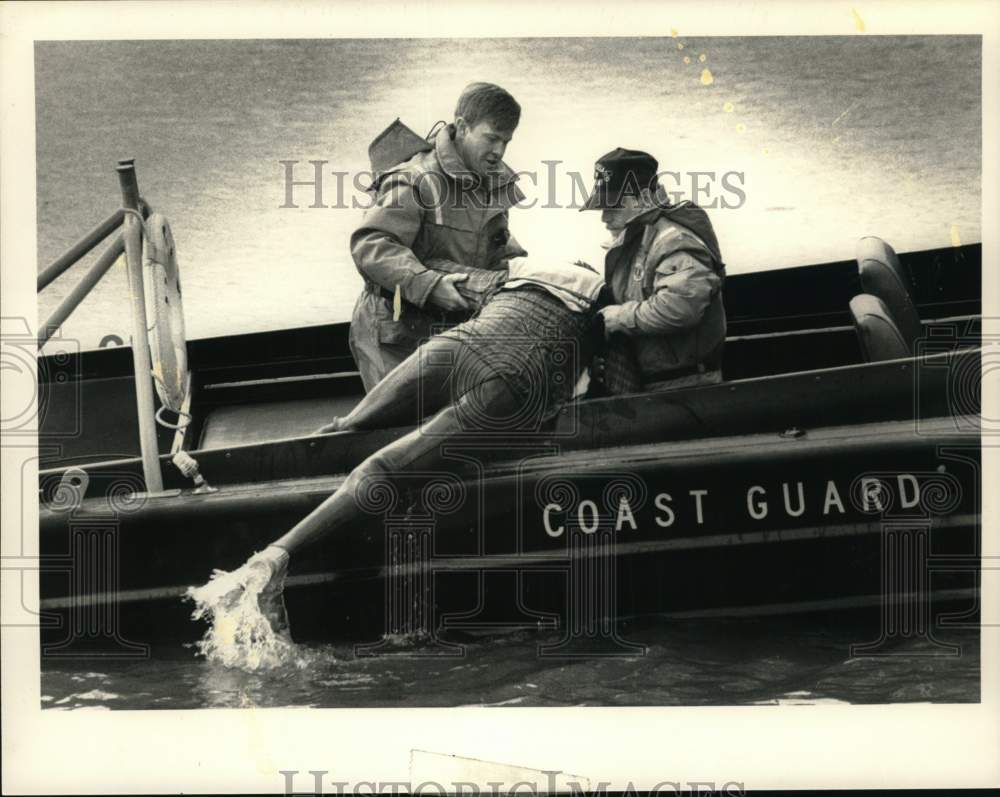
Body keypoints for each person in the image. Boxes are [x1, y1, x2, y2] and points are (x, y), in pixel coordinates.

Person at [203, 259, 607, 625]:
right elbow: (610, 378)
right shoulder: (603, 303)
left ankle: (230, 474)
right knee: (387, 469)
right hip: (515, 376)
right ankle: (275, 559)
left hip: (456, 347)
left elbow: (454, 286)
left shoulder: (519, 271)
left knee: (347, 428)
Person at [349, 82, 527, 392]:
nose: (499, 151)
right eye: (491, 138)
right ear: (462, 127)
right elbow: (371, 245)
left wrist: (522, 275)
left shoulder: (491, 185)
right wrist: (429, 286)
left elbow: (497, 248)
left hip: (453, 330)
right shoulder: (416, 178)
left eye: (506, 142)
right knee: (403, 419)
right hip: (396, 332)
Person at [580, 148, 726, 394]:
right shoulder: (638, 238)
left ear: (644, 198)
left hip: (687, 386)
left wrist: (618, 318)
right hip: (655, 383)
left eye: (613, 206)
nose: (604, 217)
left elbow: (680, 308)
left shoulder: (674, 240)